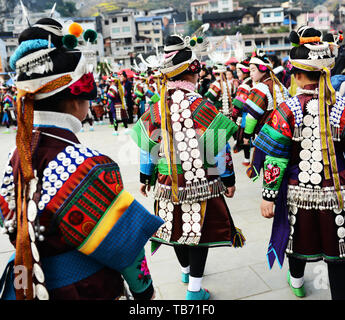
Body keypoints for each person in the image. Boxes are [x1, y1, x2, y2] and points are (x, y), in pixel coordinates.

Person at [0, 17, 163, 300]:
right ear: (75, 100)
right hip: (83, 288)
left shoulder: (16, 155)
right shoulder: (87, 164)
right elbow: (124, 246)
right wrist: (145, 292)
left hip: (25, 283)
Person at [131, 33, 245, 301]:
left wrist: (145, 177)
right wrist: (228, 180)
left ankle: (184, 271)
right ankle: (195, 289)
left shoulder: (156, 108)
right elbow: (218, 150)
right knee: (198, 233)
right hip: (200, 183)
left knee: (174, 228)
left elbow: (147, 148)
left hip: (166, 182)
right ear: (192, 74)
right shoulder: (202, 106)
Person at [254, 25, 345, 300]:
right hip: (337, 192)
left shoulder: (288, 108)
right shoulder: (340, 107)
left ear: (296, 73)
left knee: (296, 244)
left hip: (298, 192)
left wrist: (268, 197)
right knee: (338, 253)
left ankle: (296, 282)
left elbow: (276, 156)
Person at [243, 50, 290, 181]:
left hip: (266, 137)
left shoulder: (260, 89)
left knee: (270, 175)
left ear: (263, 69)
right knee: (281, 173)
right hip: (284, 136)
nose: (250, 73)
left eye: (253, 70)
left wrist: (246, 136)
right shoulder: (280, 86)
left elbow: (252, 117)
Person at [231, 58, 253, 166]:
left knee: (245, 138)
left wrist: (233, 117)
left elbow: (238, 105)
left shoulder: (244, 86)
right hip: (255, 114)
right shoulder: (252, 83)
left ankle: (247, 159)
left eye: (239, 71)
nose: (237, 73)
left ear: (245, 72)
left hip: (246, 116)